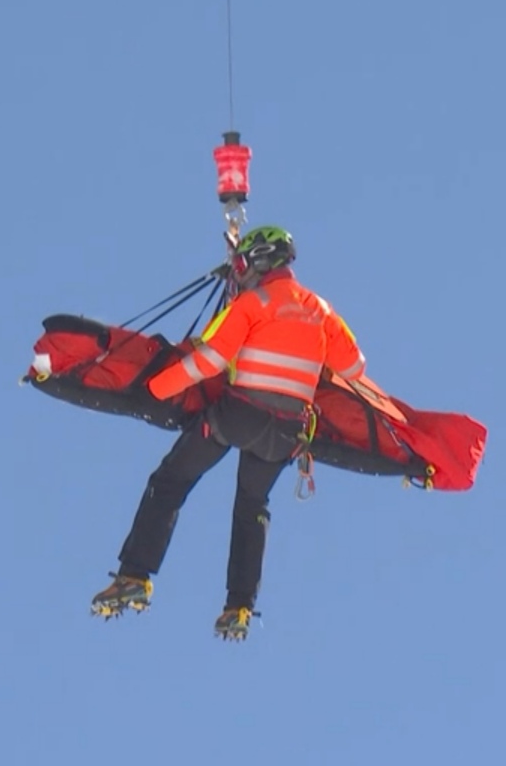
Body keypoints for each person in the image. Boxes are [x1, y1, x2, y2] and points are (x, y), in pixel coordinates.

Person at [89, 225, 369, 640]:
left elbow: (210, 360)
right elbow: (355, 369)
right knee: (252, 506)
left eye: (241, 265)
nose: (238, 273)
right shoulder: (322, 311)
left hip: (240, 415)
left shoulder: (252, 304)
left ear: (260, 261)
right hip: (287, 433)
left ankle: (134, 576)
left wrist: (155, 389)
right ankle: (239, 607)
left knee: (170, 481)